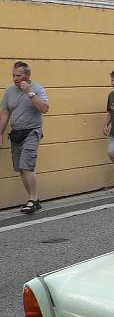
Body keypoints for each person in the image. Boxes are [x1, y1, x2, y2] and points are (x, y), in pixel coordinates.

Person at [0, 61, 50, 213]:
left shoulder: (37, 88)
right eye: (13, 75)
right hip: (17, 133)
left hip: (32, 132)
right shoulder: (9, 91)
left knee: (27, 165)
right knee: (21, 169)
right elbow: (5, 113)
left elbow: (45, 109)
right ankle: (33, 199)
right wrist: (0, 133)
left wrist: (30, 93)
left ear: (27, 75)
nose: (15, 78)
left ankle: (33, 199)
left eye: (18, 75)